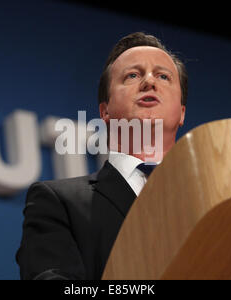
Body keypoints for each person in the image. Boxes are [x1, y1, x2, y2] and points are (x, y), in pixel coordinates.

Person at [16, 32, 188, 280]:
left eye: (163, 76)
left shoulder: (216, 200)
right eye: (133, 75)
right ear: (105, 111)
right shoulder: (58, 202)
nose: (150, 82)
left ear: (181, 112)